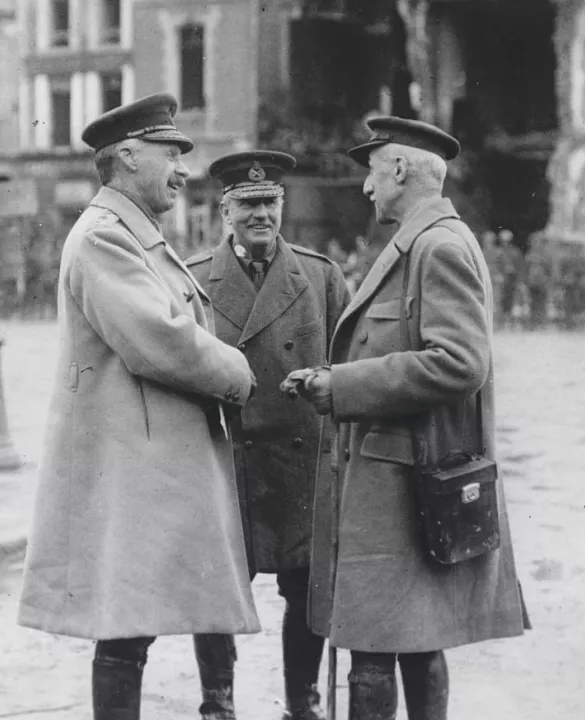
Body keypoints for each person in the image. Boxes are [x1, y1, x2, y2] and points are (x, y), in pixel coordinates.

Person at [17, 94, 261, 720]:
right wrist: (238, 372)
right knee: (123, 626)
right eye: (171, 153)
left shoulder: (129, 233)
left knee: (139, 621)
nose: (183, 168)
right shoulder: (105, 238)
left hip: (148, 462)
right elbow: (161, 342)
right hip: (130, 466)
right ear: (127, 155)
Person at [283, 116, 527, 720]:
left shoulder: (437, 246)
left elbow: (460, 362)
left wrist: (341, 385)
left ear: (397, 169)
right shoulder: (419, 243)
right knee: (414, 641)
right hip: (394, 482)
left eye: (371, 170)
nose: (366, 187)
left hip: (401, 487)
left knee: (375, 646)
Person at [186, 151, 351, 720]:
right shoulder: (193, 281)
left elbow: (350, 364)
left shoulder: (322, 276)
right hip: (228, 460)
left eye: (270, 203)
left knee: (305, 591)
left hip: (300, 464)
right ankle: (218, 702)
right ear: (225, 211)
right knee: (217, 590)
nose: (262, 215)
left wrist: (327, 381)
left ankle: (302, 703)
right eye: (249, 205)